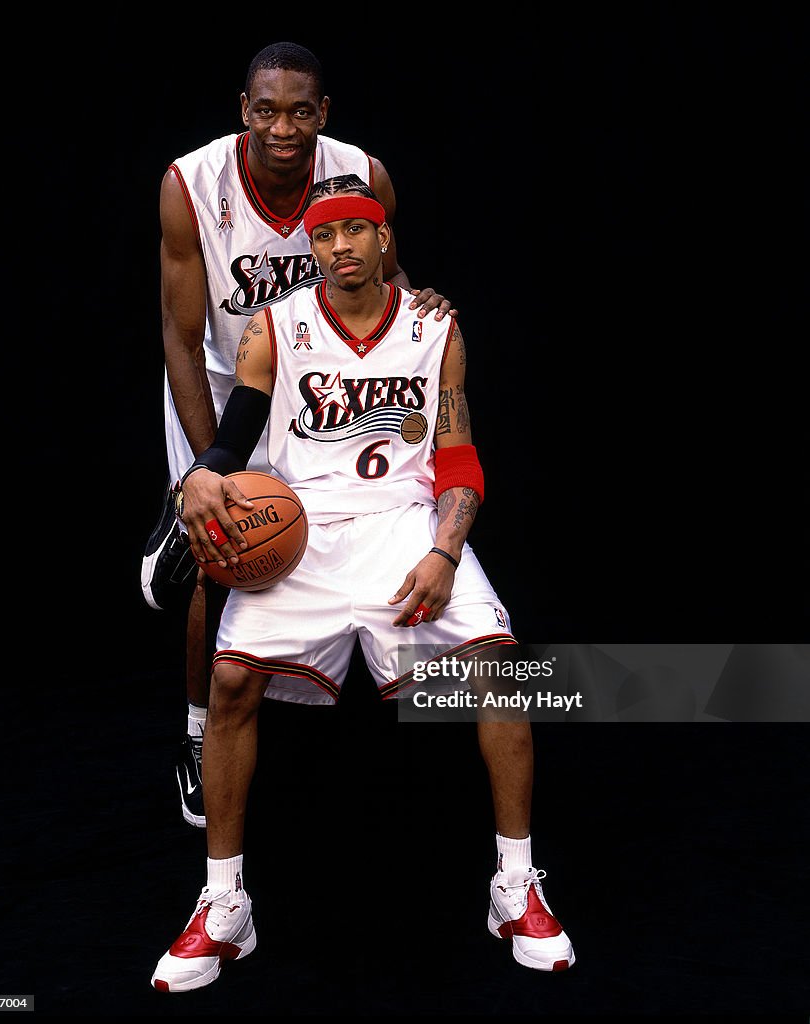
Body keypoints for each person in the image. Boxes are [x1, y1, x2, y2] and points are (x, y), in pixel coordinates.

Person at [149, 176, 575, 992]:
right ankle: (223, 903)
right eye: (322, 234)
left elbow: (455, 454)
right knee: (231, 678)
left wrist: (445, 552)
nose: (339, 246)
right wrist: (202, 478)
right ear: (308, 246)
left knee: (502, 669)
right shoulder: (274, 327)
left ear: (385, 239)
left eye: (356, 230)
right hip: (301, 530)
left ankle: (515, 886)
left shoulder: (434, 324)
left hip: (405, 526)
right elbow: (236, 434)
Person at [139, 42, 456, 829]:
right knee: (221, 558)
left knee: (343, 524)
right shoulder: (190, 185)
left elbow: (390, 274)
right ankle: (199, 732)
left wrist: (425, 313)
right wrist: (218, 464)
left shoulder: (360, 170)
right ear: (244, 110)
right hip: (222, 377)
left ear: (323, 115)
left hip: (319, 377)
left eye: (301, 111)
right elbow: (181, 338)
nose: (284, 127)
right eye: (268, 110)